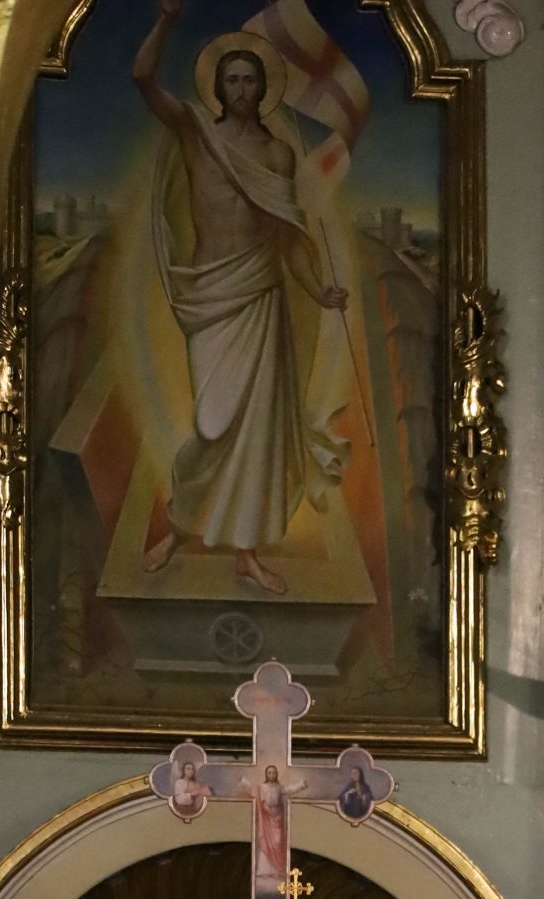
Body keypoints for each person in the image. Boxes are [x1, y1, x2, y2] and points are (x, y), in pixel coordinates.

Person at [133, 0, 349, 596]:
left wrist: (319, 291)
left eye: (251, 78)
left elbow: (287, 240)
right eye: (232, 78)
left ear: (263, 89)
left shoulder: (279, 154)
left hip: (261, 291)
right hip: (212, 293)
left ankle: (246, 554)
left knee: (255, 430)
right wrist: (167, 19)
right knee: (211, 423)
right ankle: (180, 527)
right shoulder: (196, 133)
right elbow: (142, 80)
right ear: (218, 88)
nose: (242, 87)